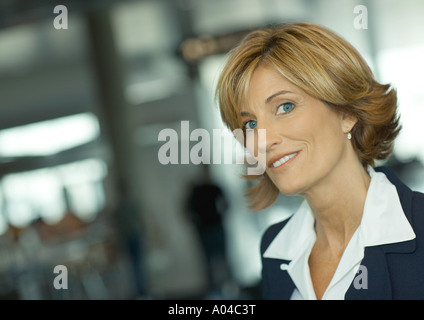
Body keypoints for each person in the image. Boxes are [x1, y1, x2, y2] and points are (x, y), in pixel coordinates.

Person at [214, 22, 424, 300]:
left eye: (285, 107)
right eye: (250, 123)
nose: (262, 141)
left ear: (346, 113)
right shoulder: (275, 249)